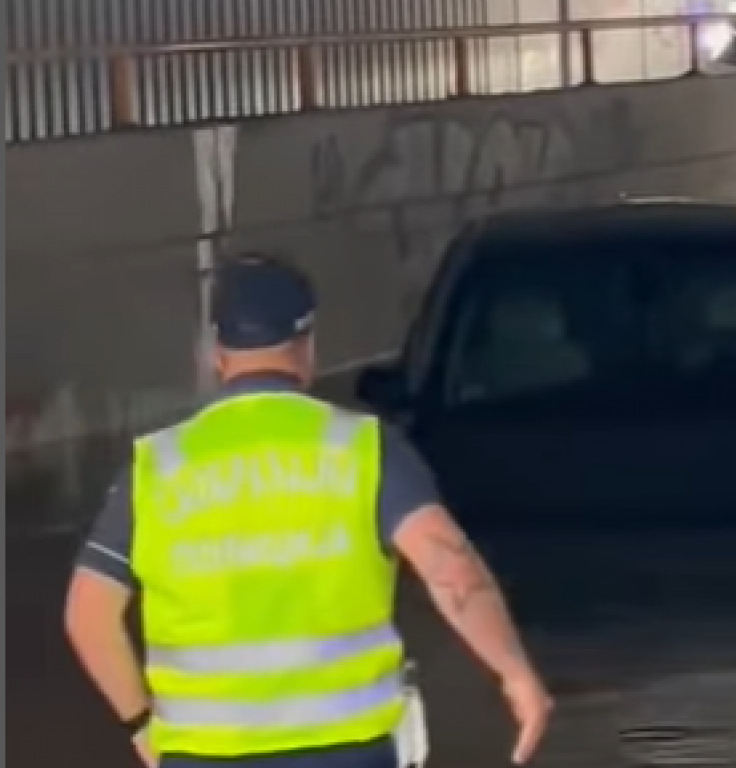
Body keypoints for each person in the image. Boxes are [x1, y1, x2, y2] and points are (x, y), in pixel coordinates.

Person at [64, 254, 552, 768]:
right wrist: (515, 673)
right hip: (347, 753)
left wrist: (141, 725)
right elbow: (448, 565)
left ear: (215, 352)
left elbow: (89, 617)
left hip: (200, 756)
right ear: (307, 345)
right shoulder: (362, 448)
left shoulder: (156, 467)